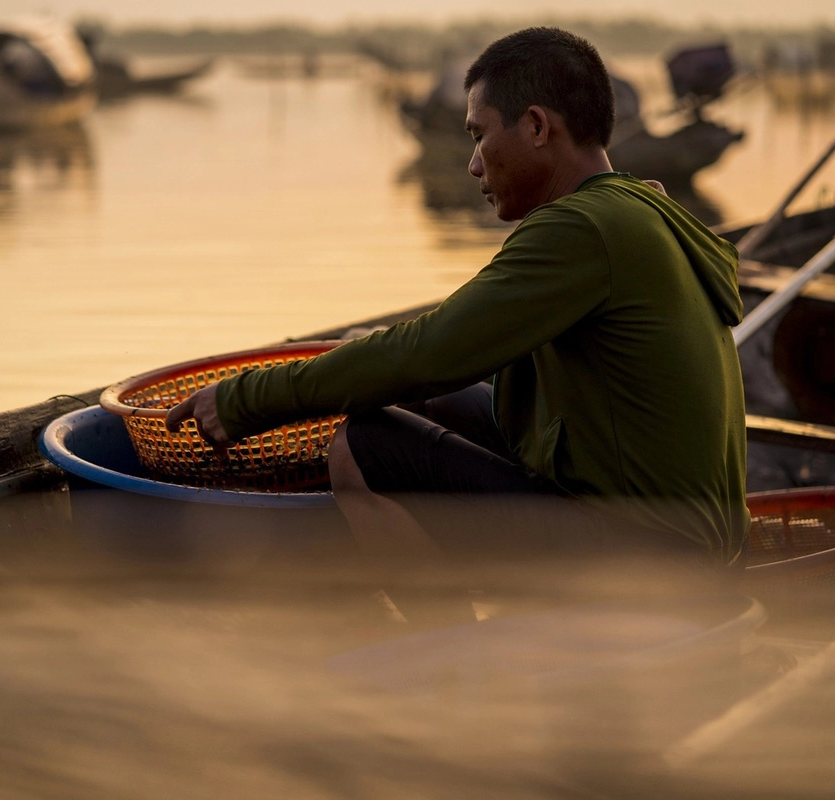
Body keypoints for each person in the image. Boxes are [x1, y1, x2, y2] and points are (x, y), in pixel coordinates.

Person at [167, 27, 748, 576]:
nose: (472, 164)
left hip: (656, 559)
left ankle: (453, 660)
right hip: (695, 536)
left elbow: (427, 353)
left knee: (360, 445)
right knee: (420, 396)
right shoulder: (638, 208)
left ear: (538, 127)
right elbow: (444, 356)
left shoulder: (582, 230)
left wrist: (247, 400)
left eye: (478, 135)